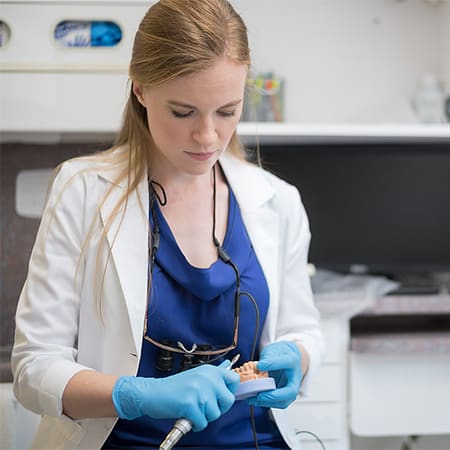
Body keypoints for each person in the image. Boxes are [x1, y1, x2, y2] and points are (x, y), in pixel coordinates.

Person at [11, 0, 325, 449]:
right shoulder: (81, 190)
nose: (209, 137)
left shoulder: (277, 201)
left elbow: (305, 328)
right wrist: (135, 395)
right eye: (183, 112)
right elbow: (34, 367)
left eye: (227, 110)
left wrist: (299, 354)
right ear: (140, 89)